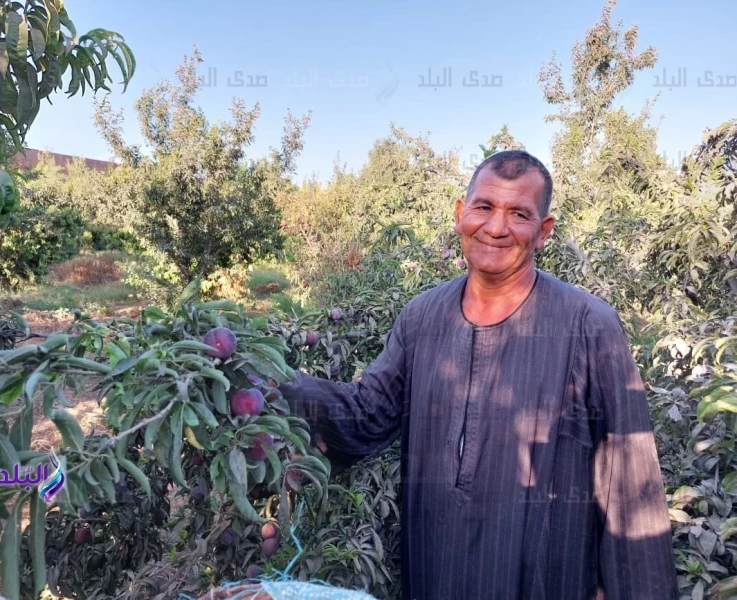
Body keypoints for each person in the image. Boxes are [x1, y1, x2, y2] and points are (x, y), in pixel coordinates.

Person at [278, 150, 678, 599]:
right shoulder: (421, 318)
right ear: (460, 214)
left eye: (519, 214)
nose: (496, 227)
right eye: (484, 207)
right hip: (435, 568)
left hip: (547, 580)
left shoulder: (588, 324)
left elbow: (630, 476)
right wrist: (275, 384)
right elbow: (367, 415)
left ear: (543, 231)